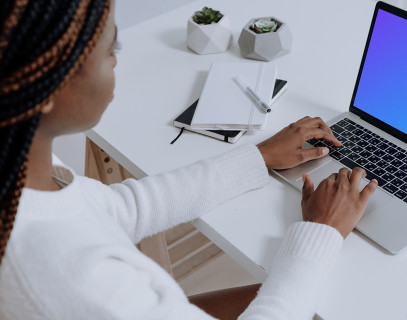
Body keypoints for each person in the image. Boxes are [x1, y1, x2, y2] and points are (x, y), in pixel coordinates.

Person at [0, 0, 378, 319]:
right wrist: (322, 232)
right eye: (109, 50)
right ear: (41, 86)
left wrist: (259, 156)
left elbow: (121, 207)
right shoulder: (79, 281)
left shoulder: (20, 171)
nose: (116, 62)